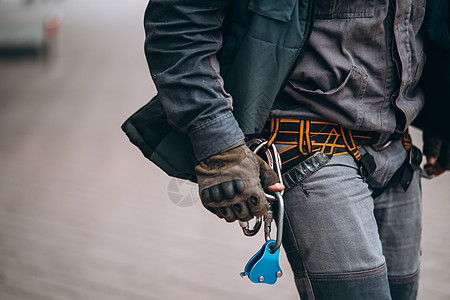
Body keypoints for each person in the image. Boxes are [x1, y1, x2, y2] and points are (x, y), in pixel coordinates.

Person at [122, 0, 449, 298]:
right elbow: (181, 26)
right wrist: (220, 147)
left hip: (398, 150)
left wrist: (443, 117)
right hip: (310, 149)